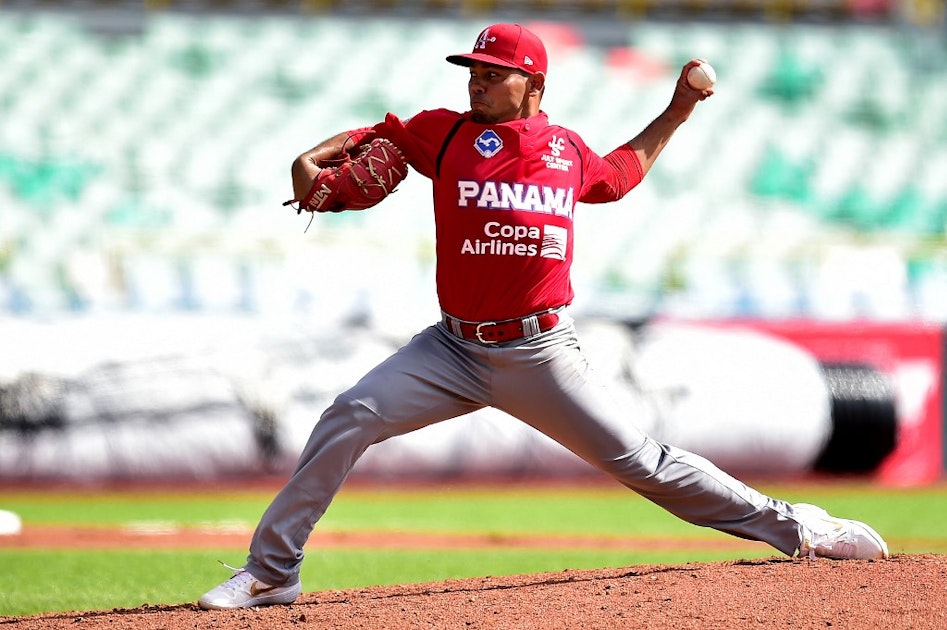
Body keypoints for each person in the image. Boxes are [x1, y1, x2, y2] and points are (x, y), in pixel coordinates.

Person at [198, 23, 888, 610]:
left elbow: (619, 175)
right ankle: (271, 573)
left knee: (645, 463)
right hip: (451, 350)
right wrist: (312, 164)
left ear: (532, 86)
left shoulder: (562, 151)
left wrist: (677, 110)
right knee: (350, 414)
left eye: (493, 74)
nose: (476, 82)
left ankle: (799, 528)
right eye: (472, 70)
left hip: (540, 352)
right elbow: (337, 176)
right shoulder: (441, 134)